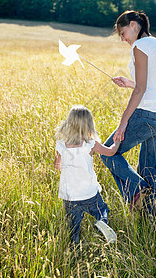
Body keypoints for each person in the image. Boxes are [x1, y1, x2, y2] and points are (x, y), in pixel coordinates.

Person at [101, 10, 156, 218]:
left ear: (133, 25)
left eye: (123, 33)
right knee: (149, 170)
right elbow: (150, 84)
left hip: (147, 115)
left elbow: (141, 90)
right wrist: (129, 83)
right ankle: (150, 221)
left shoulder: (139, 46)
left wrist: (123, 123)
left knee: (108, 151)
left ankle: (136, 189)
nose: (123, 39)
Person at [54, 105, 121, 245]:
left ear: (69, 123)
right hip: (89, 193)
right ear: (89, 125)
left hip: (69, 195)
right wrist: (117, 141)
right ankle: (101, 222)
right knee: (102, 210)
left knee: (73, 225)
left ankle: (74, 246)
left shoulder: (61, 145)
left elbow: (57, 165)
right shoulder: (90, 144)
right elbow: (110, 152)